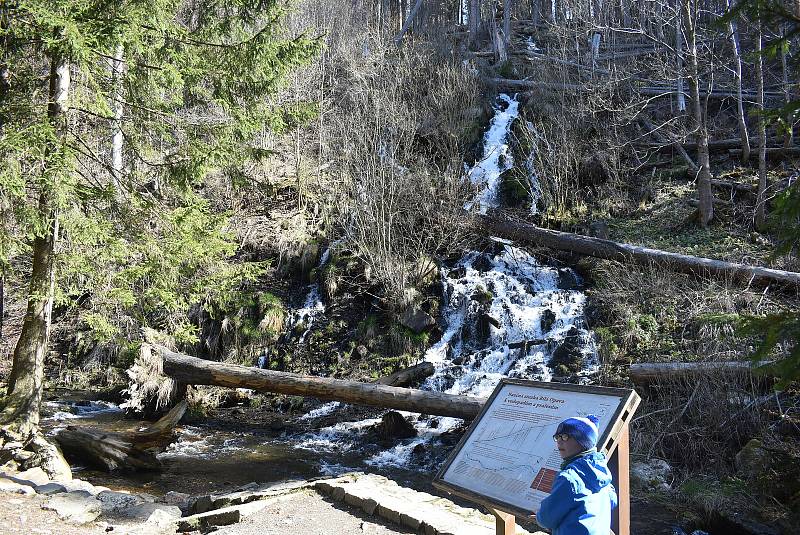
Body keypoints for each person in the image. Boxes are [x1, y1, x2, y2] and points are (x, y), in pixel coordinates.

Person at [536, 414, 617, 535]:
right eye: (557, 437)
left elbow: (547, 517)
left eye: (565, 436)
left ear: (583, 441)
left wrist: (538, 516)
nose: (559, 441)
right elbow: (613, 500)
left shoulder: (569, 478)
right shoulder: (601, 469)